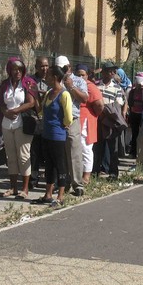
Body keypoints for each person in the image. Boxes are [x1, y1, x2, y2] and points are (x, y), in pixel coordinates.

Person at [0, 57, 37, 200]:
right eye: (14, 69)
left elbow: (31, 102)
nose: (17, 72)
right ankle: (13, 187)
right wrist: (5, 112)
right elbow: (0, 102)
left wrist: (17, 110)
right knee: (10, 157)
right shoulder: (5, 84)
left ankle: (25, 188)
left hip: (22, 124)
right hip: (7, 124)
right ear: (10, 70)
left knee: (23, 155)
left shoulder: (28, 83)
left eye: (19, 69)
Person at [32, 66, 72, 207]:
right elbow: (42, 111)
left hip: (58, 136)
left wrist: (62, 125)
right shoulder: (49, 92)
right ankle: (48, 194)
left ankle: (60, 196)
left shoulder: (64, 94)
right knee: (49, 165)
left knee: (59, 165)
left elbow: (68, 117)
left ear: (55, 77)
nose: (46, 77)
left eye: (48, 75)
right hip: (47, 134)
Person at [55, 56, 89, 196]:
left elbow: (84, 98)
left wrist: (71, 86)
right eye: (59, 69)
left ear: (69, 67)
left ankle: (77, 184)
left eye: (64, 68)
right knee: (60, 153)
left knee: (74, 152)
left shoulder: (78, 80)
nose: (62, 71)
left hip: (72, 119)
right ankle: (63, 183)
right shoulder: (55, 79)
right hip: (57, 119)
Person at [75, 64, 104, 185]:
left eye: (83, 75)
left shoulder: (90, 87)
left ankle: (86, 176)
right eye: (78, 75)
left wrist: (92, 115)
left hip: (86, 121)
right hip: (74, 120)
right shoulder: (72, 86)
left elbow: (100, 105)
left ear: (87, 75)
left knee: (85, 148)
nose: (80, 77)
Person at [29, 56, 50, 187]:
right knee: (34, 151)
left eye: (46, 65)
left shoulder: (52, 79)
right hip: (36, 119)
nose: (44, 68)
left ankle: (49, 180)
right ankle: (33, 178)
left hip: (49, 119)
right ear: (36, 67)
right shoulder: (31, 80)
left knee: (48, 151)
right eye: (42, 66)